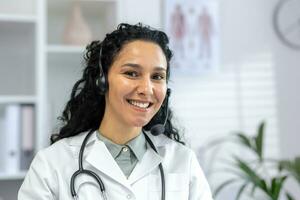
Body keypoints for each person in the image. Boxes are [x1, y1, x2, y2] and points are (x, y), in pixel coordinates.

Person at [18, 23, 213, 200]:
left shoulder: (183, 161)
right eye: (131, 73)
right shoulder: (52, 164)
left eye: (157, 76)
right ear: (102, 81)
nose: (147, 88)